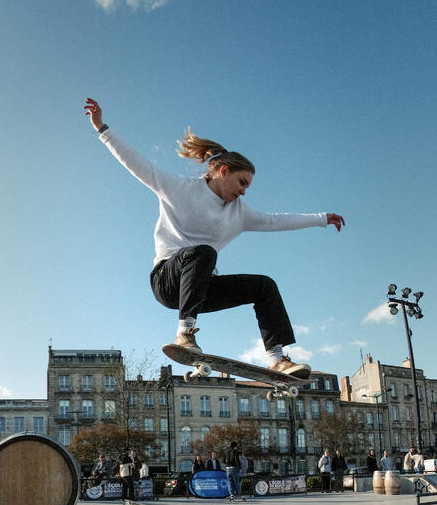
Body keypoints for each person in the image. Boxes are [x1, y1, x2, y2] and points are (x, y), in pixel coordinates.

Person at [84, 98, 345, 379]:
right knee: (204, 252)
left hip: (200, 289)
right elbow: (137, 164)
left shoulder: (239, 213)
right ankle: (185, 333)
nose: (244, 192)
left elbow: (275, 221)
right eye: (242, 182)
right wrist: (102, 128)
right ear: (223, 172)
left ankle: (277, 359)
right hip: (166, 280)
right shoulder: (179, 189)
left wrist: (320, 218)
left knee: (264, 286)